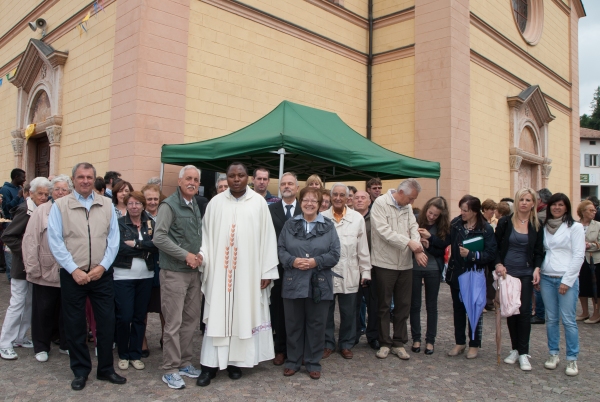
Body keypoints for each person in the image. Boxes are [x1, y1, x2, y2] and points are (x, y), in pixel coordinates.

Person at [197, 162, 279, 385]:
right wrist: (203, 257)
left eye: (240, 175)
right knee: (217, 316)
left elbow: (268, 238)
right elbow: (206, 235)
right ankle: (209, 366)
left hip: (248, 273)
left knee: (242, 315)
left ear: (247, 178)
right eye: (231, 175)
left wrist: (267, 270)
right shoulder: (215, 203)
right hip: (219, 273)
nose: (235, 179)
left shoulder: (259, 204)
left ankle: (235, 363)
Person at [47, 162, 125, 390]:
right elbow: (55, 240)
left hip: (101, 273)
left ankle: (106, 369)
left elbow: (114, 239)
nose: (85, 181)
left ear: (94, 179)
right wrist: (73, 269)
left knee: (107, 322)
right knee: (74, 325)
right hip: (73, 275)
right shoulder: (60, 206)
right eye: (81, 177)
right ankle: (80, 370)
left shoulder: (107, 204)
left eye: (89, 177)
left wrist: (102, 266)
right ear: (73, 180)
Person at [277, 186, 340, 379]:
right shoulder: (290, 225)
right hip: (293, 280)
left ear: (320, 205)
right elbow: (280, 250)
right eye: (306, 200)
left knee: (316, 324)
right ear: (300, 202)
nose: (310, 203)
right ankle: (293, 361)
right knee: (293, 324)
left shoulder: (328, 226)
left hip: (319, 282)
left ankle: (313, 362)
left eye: (314, 200)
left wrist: (316, 261)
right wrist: (292, 261)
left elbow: (335, 254)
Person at [153, 165, 203, 389]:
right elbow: (159, 238)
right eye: (189, 179)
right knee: (173, 323)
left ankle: (184, 362)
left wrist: (199, 255)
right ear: (180, 181)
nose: (192, 182)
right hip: (174, 272)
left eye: (196, 180)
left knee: (191, 321)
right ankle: (170, 368)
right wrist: (186, 256)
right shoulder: (169, 205)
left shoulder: (194, 205)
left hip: (193, 273)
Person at [370, 178, 425, 361]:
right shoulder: (380, 203)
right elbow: (383, 231)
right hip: (384, 262)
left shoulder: (407, 207)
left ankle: (399, 342)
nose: (412, 202)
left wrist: (416, 246)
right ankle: (384, 342)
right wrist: (408, 243)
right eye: (410, 198)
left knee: (403, 305)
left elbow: (413, 227)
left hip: (405, 264)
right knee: (384, 305)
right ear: (401, 193)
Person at [0, 177, 50, 360]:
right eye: (40, 194)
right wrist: (28, 253)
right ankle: (5, 342)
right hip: (22, 266)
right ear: (30, 193)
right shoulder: (25, 211)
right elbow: (8, 236)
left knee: (28, 302)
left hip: (33, 267)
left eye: (46, 194)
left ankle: (20, 337)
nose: (44, 197)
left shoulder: (39, 209)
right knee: (17, 303)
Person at [23, 175, 72, 362]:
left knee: (66, 310)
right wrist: (33, 268)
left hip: (68, 270)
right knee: (43, 310)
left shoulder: (73, 210)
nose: (60, 192)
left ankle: (65, 343)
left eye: (64, 189)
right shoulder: (42, 210)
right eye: (57, 189)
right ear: (52, 192)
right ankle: (41, 346)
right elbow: (30, 240)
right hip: (45, 268)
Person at [494, 188, 544, 371]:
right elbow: (496, 246)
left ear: (533, 203)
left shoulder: (537, 225)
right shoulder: (505, 222)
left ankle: (524, 352)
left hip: (526, 273)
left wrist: (537, 268)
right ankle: (515, 349)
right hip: (508, 273)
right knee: (511, 311)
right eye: (521, 199)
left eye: (528, 200)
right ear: (516, 202)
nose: (524, 202)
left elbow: (539, 251)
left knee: (523, 312)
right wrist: (498, 264)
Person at [322, 183, 371, 360]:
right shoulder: (322, 217)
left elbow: (363, 248)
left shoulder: (356, 219)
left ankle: (346, 344)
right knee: (326, 311)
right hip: (327, 272)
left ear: (347, 198)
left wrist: (366, 272)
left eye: (342, 195)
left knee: (349, 311)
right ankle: (327, 343)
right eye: (335, 194)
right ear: (330, 196)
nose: (338, 198)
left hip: (350, 270)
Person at [446, 195, 497, 359]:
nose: (462, 213)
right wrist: (430, 239)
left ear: (475, 211)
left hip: (475, 274)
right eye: (461, 209)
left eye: (465, 210)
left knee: (474, 310)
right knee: (458, 309)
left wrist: (472, 254)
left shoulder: (486, 229)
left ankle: (474, 344)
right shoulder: (456, 224)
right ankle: (460, 342)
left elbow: (490, 253)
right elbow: (445, 241)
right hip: (457, 273)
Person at [112, 191, 157, 371]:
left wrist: (137, 245)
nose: (134, 207)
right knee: (124, 316)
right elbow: (119, 248)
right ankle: (123, 353)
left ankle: (135, 353)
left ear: (143, 205)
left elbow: (156, 245)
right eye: (130, 203)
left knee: (140, 317)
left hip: (145, 276)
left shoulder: (151, 223)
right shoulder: (119, 224)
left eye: (137, 203)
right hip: (123, 276)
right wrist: (144, 248)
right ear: (126, 205)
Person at [540, 193, 584, 376]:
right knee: (551, 319)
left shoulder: (575, 227)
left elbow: (579, 255)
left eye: (560, 204)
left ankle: (572, 359)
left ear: (567, 207)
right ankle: (553, 353)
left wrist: (567, 280)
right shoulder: (544, 227)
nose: (557, 207)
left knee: (568, 320)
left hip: (566, 278)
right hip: (546, 277)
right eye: (553, 204)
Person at [268, 172, 302, 366]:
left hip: (300, 268)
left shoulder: (305, 209)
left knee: (298, 310)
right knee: (279, 309)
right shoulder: (270, 210)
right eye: (283, 184)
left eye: (290, 184)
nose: (286, 186)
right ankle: (280, 348)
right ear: (280, 188)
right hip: (278, 268)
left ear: (297, 188)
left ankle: (296, 349)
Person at [410, 197, 450, 356]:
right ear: (426, 209)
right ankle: (416, 338)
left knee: (431, 306)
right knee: (415, 305)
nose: (431, 216)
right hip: (414, 267)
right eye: (430, 212)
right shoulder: (416, 221)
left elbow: (443, 248)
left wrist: (430, 240)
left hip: (433, 268)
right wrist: (419, 243)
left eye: (435, 215)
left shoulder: (444, 227)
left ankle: (430, 340)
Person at [140, 184, 166, 356]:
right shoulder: (137, 217)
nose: (152, 202)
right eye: (149, 199)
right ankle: (142, 341)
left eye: (155, 198)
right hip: (144, 266)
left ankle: (166, 338)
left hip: (163, 266)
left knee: (165, 306)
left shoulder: (165, 214)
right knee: (142, 306)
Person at [353, 190, 379, 350]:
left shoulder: (376, 219)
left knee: (373, 305)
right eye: (356, 198)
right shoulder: (349, 218)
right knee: (353, 305)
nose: (360, 200)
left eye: (363, 198)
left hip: (373, 267)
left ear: (370, 201)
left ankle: (373, 336)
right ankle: (353, 334)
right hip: (353, 268)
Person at [577, 200, 600, 324]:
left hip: (594, 260)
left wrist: (590, 245)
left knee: (595, 288)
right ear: (582, 211)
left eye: (594, 210)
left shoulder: (598, 225)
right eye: (591, 210)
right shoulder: (575, 225)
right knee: (581, 286)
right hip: (579, 260)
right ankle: (584, 312)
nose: (594, 212)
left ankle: (597, 313)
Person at [1, 168, 26, 281]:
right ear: (16, 177)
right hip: (9, 222)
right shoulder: (5, 190)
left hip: (20, 221)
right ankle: (10, 274)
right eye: (22, 177)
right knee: (9, 250)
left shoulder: (20, 189)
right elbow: (7, 208)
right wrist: (18, 196)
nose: (24, 179)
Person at [532, 188, 552, 324]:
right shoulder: (546, 214)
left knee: (538, 285)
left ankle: (540, 313)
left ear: (540, 200)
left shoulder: (539, 217)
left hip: (542, 255)